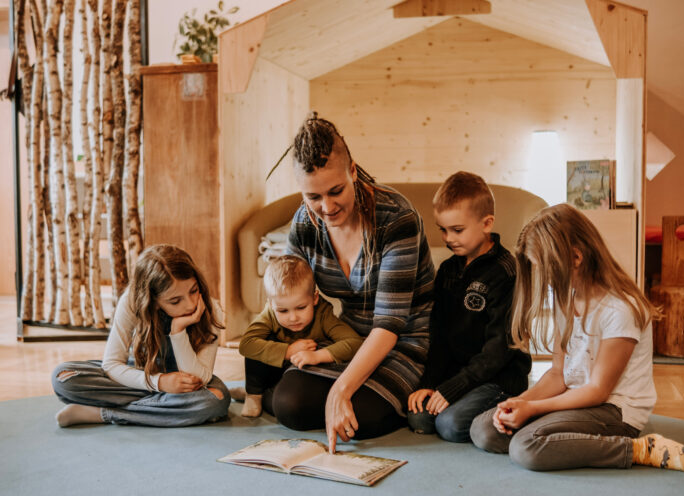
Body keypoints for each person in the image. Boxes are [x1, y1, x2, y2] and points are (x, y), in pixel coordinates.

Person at [469, 204, 684, 474]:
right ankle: (561, 437)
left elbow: (598, 390)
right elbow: (558, 374)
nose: (545, 280)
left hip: (615, 410)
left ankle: (641, 449)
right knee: (483, 429)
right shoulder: (566, 299)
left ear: (575, 257)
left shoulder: (621, 308)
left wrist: (534, 408)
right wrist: (521, 403)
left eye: (546, 269)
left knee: (526, 447)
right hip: (577, 399)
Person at [271, 113, 435, 451]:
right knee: (289, 405)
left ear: (353, 172)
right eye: (312, 197)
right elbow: (285, 295)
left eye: (335, 191)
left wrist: (340, 390)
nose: (326, 207)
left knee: (360, 420)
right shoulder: (304, 223)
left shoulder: (396, 218)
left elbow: (389, 325)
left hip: (403, 343)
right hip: (347, 340)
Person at [407, 172, 531, 443]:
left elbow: (499, 350)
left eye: (457, 230)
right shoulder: (448, 270)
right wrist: (429, 384)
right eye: (442, 229)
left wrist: (452, 390)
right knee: (419, 416)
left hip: (499, 376)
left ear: (487, 223)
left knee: (450, 425)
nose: (449, 238)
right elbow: (438, 335)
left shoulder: (506, 272)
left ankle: (516, 411)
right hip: (462, 373)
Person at [51, 244, 231, 427]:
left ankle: (104, 414)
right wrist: (159, 383)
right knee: (64, 377)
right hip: (142, 375)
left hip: (187, 386)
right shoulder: (131, 302)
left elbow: (199, 379)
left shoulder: (211, 309)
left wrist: (178, 331)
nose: (191, 305)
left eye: (193, 290)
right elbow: (112, 364)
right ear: (153, 301)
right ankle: (163, 407)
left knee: (215, 400)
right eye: (175, 301)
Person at [230, 255, 363, 417]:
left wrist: (317, 355)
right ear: (272, 305)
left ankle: (267, 395)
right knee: (258, 344)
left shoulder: (323, 314)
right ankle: (253, 394)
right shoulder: (270, 314)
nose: (293, 318)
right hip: (273, 369)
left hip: (299, 373)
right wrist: (288, 351)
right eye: (283, 311)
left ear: (314, 298)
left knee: (291, 405)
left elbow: (354, 342)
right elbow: (246, 344)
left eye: (300, 308)